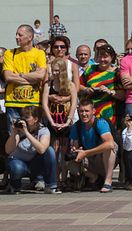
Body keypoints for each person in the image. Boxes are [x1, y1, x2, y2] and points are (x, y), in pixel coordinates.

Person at [3, 24, 47, 133]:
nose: (17, 37)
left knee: (33, 136)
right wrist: (32, 78)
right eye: (16, 34)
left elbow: (41, 75)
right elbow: (8, 76)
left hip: (32, 103)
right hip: (13, 103)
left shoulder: (39, 53)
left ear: (30, 37)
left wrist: (20, 75)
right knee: (14, 136)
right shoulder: (9, 53)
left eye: (20, 35)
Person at [5, 106, 59, 194]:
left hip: (34, 165)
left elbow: (42, 150)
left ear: (35, 119)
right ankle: (15, 185)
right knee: (16, 167)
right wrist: (14, 133)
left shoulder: (43, 130)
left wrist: (27, 133)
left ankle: (50, 186)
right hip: (18, 163)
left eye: (27, 117)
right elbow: (8, 150)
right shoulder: (18, 130)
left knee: (50, 150)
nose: (24, 120)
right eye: (22, 117)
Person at [68, 99, 117, 193]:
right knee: (70, 162)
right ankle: (94, 177)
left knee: (110, 147)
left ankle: (108, 181)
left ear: (93, 111)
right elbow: (75, 146)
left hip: (102, 159)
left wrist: (86, 153)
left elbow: (110, 143)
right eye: (81, 111)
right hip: (89, 160)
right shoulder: (76, 126)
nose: (84, 114)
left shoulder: (100, 123)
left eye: (87, 111)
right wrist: (76, 150)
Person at [41, 57, 77, 188]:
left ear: (62, 70)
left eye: (57, 70)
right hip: (53, 119)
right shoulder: (48, 85)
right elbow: (44, 104)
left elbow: (74, 104)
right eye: (53, 70)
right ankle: (55, 179)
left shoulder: (70, 84)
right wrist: (51, 121)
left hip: (65, 119)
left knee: (64, 150)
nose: (54, 73)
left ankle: (64, 178)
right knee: (54, 151)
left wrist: (68, 121)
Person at [80, 44, 125, 127]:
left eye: (105, 57)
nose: (102, 59)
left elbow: (123, 95)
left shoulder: (116, 73)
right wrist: (87, 89)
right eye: (100, 56)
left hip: (109, 114)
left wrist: (109, 91)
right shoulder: (91, 69)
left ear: (112, 58)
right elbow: (78, 85)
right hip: (88, 114)